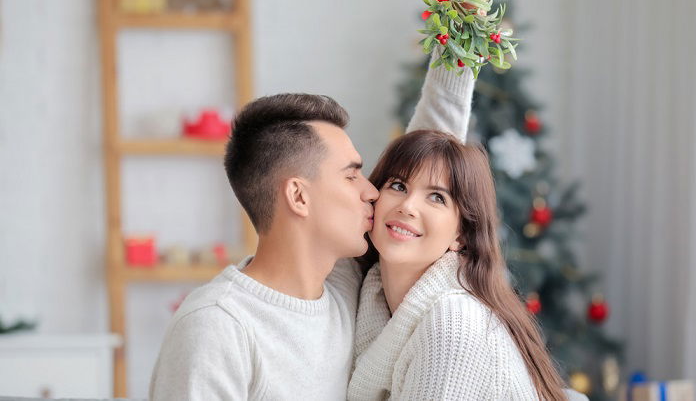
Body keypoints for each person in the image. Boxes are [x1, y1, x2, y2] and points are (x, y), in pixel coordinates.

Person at [148, 48, 476, 400]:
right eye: (352, 176)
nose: (373, 192)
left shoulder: (345, 291)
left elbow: (428, 161)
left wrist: (459, 45)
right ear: (299, 197)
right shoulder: (216, 327)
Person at [348, 130, 579, 400]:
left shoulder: (454, 322)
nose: (408, 206)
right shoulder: (368, 297)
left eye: (437, 197)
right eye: (398, 186)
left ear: (461, 235)